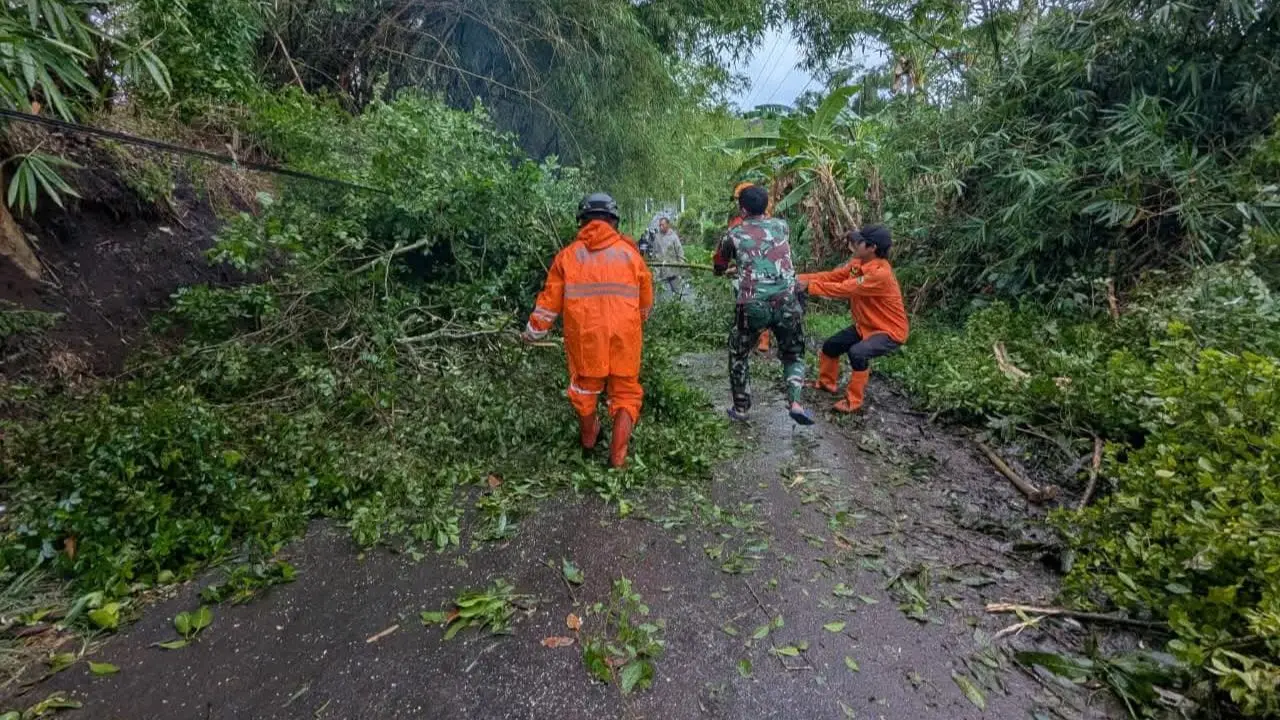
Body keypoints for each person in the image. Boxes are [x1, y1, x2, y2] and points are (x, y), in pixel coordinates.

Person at [522, 192, 654, 468]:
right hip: (625, 336)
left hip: (586, 338)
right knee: (626, 393)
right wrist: (635, 323)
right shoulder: (630, 254)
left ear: (581, 221)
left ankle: (589, 438)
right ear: (614, 220)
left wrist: (534, 331)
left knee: (584, 390)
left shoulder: (567, 257)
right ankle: (618, 458)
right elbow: (645, 303)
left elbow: (549, 302)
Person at [713, 184, 814, 426]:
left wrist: (726, 269)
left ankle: (742, 408)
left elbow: (719, 265)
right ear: (767, 206)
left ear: (742, 208)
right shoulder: (782, 227)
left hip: (753, 303)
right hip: (787, 299)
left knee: (739, 353)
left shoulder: (733, 234)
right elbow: (769, 252)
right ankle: (796, 402)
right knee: (793, 355)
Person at [796, 225, 909, 413]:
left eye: (859, 242)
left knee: (858, 353)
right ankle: (826, 383)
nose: (854, 244)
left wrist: (810, 287)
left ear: (872, 248)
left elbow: (846, 288)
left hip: (889, 331)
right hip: (865, 325)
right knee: (831, 346)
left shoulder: (880, 274)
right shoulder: (858, 263)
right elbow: (833, 276)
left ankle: (854, 401)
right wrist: (799, 277)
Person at [727, 183, 772, 354]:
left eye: (739, 200)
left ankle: (762, 339)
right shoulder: (736, 221)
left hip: (760, 272)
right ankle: (748, 335)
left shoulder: (765, 223)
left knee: (759, 302)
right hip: (742, 269)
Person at [651, 215, 687, 301]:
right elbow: (655, 253)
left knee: (677, 292)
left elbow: (680, 251)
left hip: (673, 269)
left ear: (667, 225)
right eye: (659, 225)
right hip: (661, 270)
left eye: (662, 225)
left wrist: (681, 264)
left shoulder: (673, 237)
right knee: (660, 293)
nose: (660, 226)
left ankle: (678, 306)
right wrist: (654, 268)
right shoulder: (657, 237)